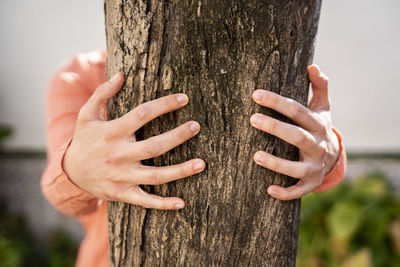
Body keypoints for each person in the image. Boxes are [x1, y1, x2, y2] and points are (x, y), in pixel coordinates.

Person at [41, 48, 346, 266]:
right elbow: (61, 195)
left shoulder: (270, 59)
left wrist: (326, 150)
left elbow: (324, 172)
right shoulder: (80, 76)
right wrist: (75, 167)